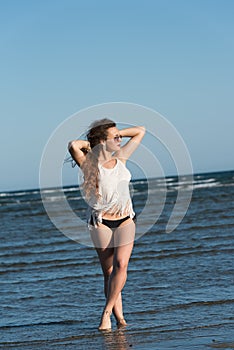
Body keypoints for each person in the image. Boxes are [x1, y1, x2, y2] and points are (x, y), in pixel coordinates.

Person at [68, 119, 145, 330]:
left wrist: (116, 133)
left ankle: (107, 312)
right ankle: (120, 319)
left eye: (120, 136)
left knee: (121, 266)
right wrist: (95, 145)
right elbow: (74, 145)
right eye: (116, 137)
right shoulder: (89, 164)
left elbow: (140, 130)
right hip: (101, 222)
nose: (120, 139)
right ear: (102, 141)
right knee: (109, 272)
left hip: (125, 219)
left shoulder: (121, 158)